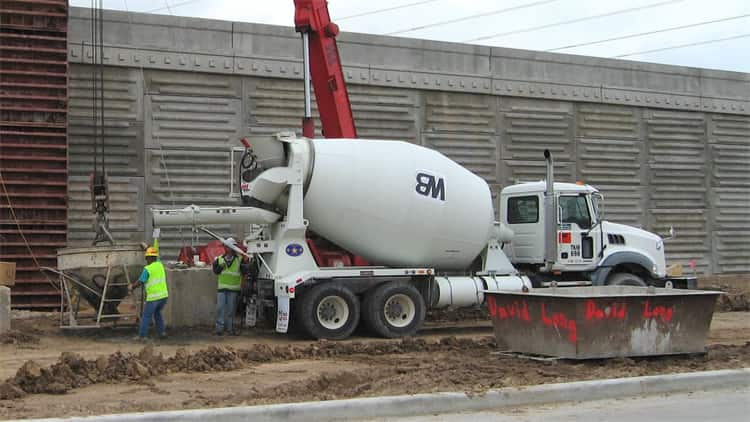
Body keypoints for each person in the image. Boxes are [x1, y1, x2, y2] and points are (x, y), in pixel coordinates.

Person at [130, 245, 168, 341]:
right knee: (157, 313)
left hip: (153, 297)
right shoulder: (160, 265)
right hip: (163, 296)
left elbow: (140, 281)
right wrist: (147, 247)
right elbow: (155, 255)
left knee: (146, 316)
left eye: (146, 257)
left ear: (148, 258)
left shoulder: (147, 269)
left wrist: (131, 287)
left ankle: (142, 336)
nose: (146, 259)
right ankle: (162, 332)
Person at [212, 238, 249, 336]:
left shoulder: (240, 259)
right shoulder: (219, 259)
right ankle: (219, 329)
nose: (228, 249)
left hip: (233, 289)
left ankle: (230, 328)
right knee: (220, 309)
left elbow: (245, 271)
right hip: (222, 288)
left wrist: (246, 264)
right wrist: (220, 267)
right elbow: (215, 271)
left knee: (231, 310)